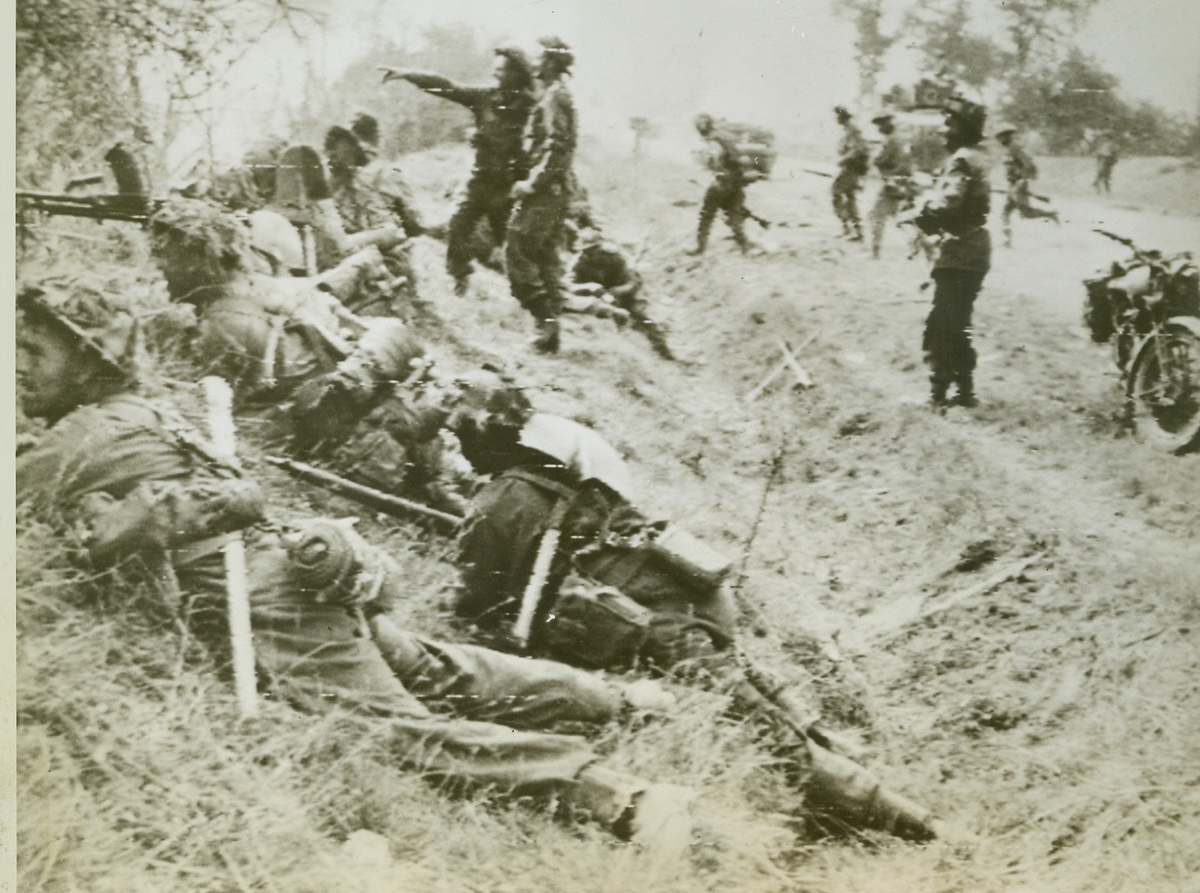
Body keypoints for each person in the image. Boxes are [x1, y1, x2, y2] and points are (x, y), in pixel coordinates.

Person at [15, 279, 695, 849]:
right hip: (298, 566)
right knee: (434, 667)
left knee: (394, 730)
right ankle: (617, 700)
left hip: (265, 597)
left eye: (32, 350)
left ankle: (617, 797)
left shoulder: (78, 440)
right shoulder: (137, 410)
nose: (15, 366)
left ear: (86, 362)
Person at [443, 368, 941, 841]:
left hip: (644, 616)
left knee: (752, 718)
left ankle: (904, 820)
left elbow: (469, 606)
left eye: (462, 435)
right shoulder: (563, 465)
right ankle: (834, 755)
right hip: (682, 585)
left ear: (483, 435)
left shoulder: (497, 503)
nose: (460, 449)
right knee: (745, 685)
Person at [148, 198, 469, 515]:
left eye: (166, 256)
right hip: (388, 424)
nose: (159, 266)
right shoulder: (278, 286)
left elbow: (232, 419)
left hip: (354, 451)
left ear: (197, 259)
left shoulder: (223, 325)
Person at [380, 48, 536, 296]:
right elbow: (447, 86)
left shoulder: (531, 106)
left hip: (509, 188)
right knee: (458, 224)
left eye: (502, 69)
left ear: (516, 74)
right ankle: (460, 275)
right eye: (495, 67)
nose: (496, 72)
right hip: (480, 181)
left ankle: (535, 293)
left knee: (513, 245)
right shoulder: (485, 97)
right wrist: (408, 74)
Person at [913, 97, 992, 408]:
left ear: (963, 129)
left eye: (949, 124)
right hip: (973, 250)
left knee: (943, 323)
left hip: (960, 251)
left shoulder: (961, 160)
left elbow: (949, 203)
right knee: (957, 322)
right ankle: (964, 391)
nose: (943, 131)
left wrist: (921, 214)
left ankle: (938, 395)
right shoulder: (976, 157)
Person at [506, 37, 577, 354]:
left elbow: (557, 150)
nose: (534, 63)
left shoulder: (554, 98)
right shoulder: (554, 95)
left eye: (539, 58)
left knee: (517, 245)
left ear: (550, 62)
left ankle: (544, 323)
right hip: (554, 190)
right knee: (546, 256)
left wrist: (531, 184)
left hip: (546, 191)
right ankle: (550, 335)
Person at [323, 114, 434, 291]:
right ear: (376, 138)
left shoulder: (331, 176)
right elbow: (414, 224)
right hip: (387, 261)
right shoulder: (388, 172)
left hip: (339, 260)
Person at [566, 225, 676, 360]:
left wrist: (620, 290)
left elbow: (633, 282)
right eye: (587, 250)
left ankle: (664, 351)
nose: (591, 253)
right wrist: (590, 288)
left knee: (644, 319)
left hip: (623, 298)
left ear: (600, 247)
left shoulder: (615, 258)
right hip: (595, 300)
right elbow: (568, 285)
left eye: (594, 249)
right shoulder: (578, 263)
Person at [686, 113, 762, 256]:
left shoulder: (713, 141)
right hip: (736, 181)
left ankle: (700, 248)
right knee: (733, 214)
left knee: (706, 215)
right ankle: (745, 246)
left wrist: (716, 173)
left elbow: (716, 159)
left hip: (722, 181)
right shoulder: (725, 136)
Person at [994, 124, 1059, 248]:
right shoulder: (1008, 149)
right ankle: (1007, 240)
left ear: (1006, 137)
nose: (999, 140)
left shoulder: (1016, 149)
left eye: (1001, 137)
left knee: (1025, 213)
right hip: (1013, 184)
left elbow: (1029, 165)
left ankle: (1051, 214)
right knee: (1006, 212)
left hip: (1019, 184)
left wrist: (1022, 181)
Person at [868, 113, 913, 260]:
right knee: (901, 219)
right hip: (903, 183)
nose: (879, 129)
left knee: (877, 216)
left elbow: (880, 159)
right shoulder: (899, 138)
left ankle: (875, 253)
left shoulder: (892, 140)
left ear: (888, 124)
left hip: (893, 183)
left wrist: (888, 174)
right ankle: (918, 246)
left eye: (881, 125)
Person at [832, 106, 868, 243]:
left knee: (836, 193)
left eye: (838, 116)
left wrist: (843, 159)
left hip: (851, 169)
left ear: (843, 117)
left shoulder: (853, 130)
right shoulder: (848, 130)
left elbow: (858, 150)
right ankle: (856, 231)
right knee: (849, 198)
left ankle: (849, 228)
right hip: (850, 168)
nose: (836, 119)